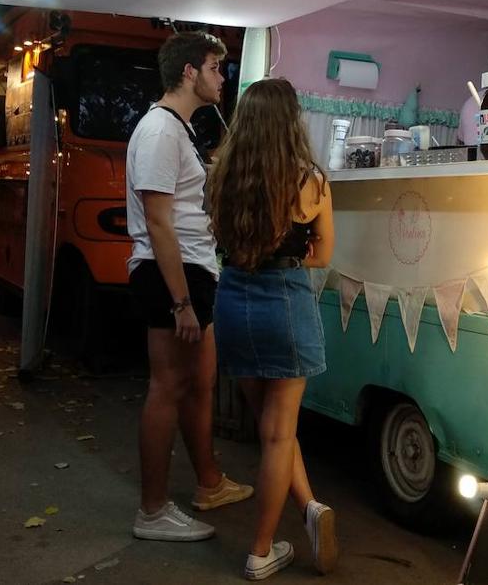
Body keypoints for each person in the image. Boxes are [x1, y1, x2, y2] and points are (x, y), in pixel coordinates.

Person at [207, 78, 338, 580]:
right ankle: (261, 551)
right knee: (280, 434)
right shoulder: (311, 181)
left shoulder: (220, 175)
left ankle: (308, 509)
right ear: (292, 122)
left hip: (234, 301)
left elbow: (220, 237)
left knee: (269, 429)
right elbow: (323, 254)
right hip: (284, 301)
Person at [127, 32, 252, 542]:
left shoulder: (176, 130)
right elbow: (159, 223)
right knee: (169, 387)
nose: (222, 79)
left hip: (193, 271)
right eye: (215, 69)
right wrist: (180, 301)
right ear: (189, 72)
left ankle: (209, 482)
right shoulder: (160, 130)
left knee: (199, 382)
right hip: (170, 276)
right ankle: (152, 511)